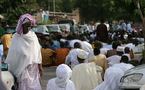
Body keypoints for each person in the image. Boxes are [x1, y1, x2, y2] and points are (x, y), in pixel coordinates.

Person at [5, 14, 42, 90]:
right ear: (21, 25)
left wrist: (40, 67)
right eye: (26, 25)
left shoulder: (33, 36)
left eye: (30, 25)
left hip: (32, 68)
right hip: (21, 68)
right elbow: (13, 53)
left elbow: (38, 51)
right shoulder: (16, 37)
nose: (28, 27)